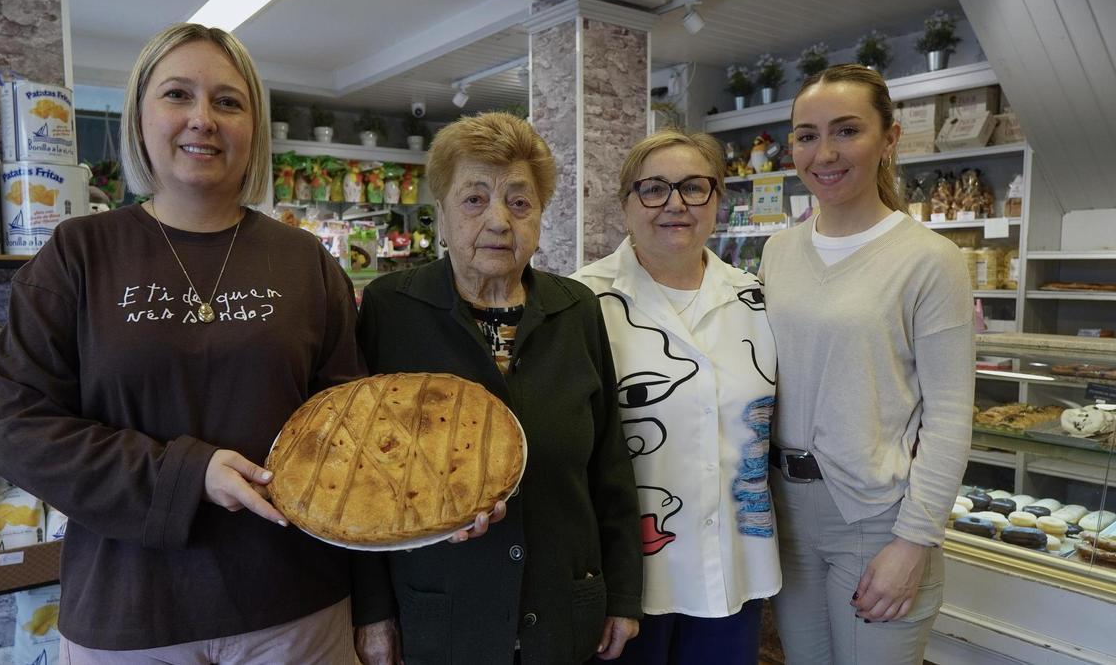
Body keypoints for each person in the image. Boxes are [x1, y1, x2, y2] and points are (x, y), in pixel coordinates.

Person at [0, 23, 366, 663]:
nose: (202, 119)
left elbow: (350, 423)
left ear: (255, 128)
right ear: (139, 117)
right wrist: (189, 475)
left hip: (295, 608)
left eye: (227, 101)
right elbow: (20, 429)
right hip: (131, 611)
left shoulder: (305, 263)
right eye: (177, 95)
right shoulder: (79, 256)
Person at [351, 112, 643, 665]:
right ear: (440, 214)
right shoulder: (391, 308)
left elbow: (610, 462)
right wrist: (371, 612)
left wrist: (623, 593)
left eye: (519, 201)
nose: (498, 220)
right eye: (474, 199)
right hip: (442, 614)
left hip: (561, 610)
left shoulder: (576, 308)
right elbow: (364, 480)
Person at [758, 64, 974, 664]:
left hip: (877, 518)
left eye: (846, 130)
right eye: (805, 135)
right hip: (785, 511)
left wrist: (915, 540)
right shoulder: (779, 251)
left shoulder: (930, 260)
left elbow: (952, 417)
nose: (823, 152)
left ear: (889, 139)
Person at [572, 130, 780, 665]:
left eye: (693, 188)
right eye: (654, 189)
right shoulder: (580, 301)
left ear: (718, 201)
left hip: (732, 565)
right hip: (630, 578)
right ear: (625, 203)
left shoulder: (756, 298)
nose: (675, 204)